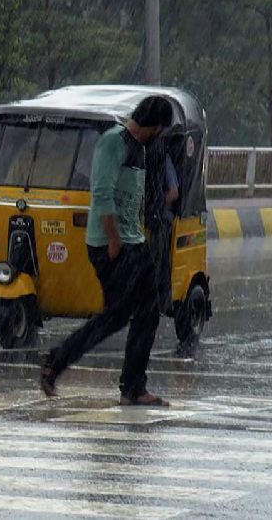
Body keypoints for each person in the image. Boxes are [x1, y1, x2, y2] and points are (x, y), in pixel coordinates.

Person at [40, 96, 174, 407]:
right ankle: (57, 361)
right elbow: (101, 193)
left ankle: (133, 387)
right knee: (115, 317)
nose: (160, 135)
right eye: (160, 129)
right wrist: (114, 240)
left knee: (147, 313)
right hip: (111, 245)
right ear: (154, 125)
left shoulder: (138, 147)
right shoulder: (113, 142)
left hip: (134, 242)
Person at [145, 145, 180, 314]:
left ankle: (158, 298)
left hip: (161, 216)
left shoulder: (164, 161)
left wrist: (157, 204)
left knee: (157, 255)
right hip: (142, 215)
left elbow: (174, 192)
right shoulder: (137, 159)